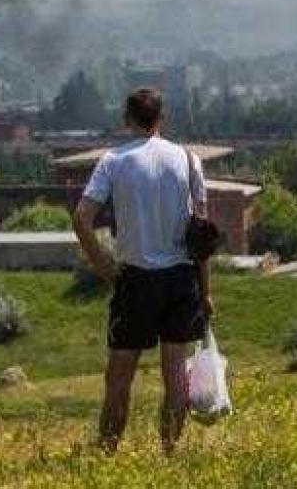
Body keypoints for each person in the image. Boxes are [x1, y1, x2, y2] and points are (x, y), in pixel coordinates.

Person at [73, 86, 213, 454]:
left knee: (119, 376)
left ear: (127, 119)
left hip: (134, 278)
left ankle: (107, 452)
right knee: (175, 377)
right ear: (161, 119)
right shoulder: (188, 160)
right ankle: (169, 452)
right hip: (181, 278)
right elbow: (201, 234)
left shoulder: (113, 161)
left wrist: (105, 266)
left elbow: (82, 219)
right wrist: (206, 291)